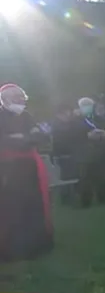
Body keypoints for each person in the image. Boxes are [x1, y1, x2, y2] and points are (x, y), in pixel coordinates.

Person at [0, 84, 53, 262]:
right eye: (15, 97)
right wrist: (25, 138)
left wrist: (23, 138)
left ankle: (36, 244)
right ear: (5, 99)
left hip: (29, 168)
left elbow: (40, 136)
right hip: (7, 170)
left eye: (21, 96)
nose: (20, 100)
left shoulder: (27, 116)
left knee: (33, 204)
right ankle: (13, 248)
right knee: (12, 208)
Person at [73, 97, 105, 207]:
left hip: (98, 151)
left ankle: (103, 197)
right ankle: (86, 201)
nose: (87, 107)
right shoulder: (76, 120)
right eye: (84, 105)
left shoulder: (98, 119)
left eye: (89, 105)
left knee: (101, 176)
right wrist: (87, 136)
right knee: (86, 178)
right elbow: (73, 134)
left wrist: (104, 133)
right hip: (84, 153)